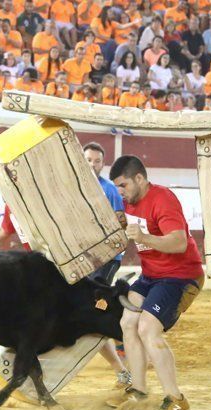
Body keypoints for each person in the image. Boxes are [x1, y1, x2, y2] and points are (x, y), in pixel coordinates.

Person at [105, 155, 204, 410]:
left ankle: (176, 398)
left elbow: (179, 243)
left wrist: (144, 237)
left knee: (148, 328)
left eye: (123, 185)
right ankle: (138, 390)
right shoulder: (130, 203)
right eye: (117, 187)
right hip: (151, 274)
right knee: (127, 322)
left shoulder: (163, 199)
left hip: (179, 275)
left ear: (140, 178)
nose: (120, 192)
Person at [83, 142, 131, 388]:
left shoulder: (109, 190)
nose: (93, 165)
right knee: (91, 308)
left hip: (107, 258)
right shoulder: (74, 189)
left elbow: (120, 222)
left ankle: (125, 352)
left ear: (103, 164)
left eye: (97, 161)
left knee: (96, 309)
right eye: (89, 160)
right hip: (84, 258)